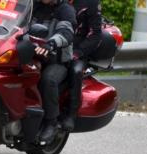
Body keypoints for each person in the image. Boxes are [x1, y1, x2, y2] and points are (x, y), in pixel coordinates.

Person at [31, 0, 76, 144]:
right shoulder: (32, 5)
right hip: (30, 55)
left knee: (48, 79)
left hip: (55, 60)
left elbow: (66, 32)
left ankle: (51, 122)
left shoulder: (65, 9)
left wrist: (51, 43)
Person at [61, 0, 103, 131]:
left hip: (77, 49)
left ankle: (71, 115)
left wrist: (78, 52)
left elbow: (95, 34)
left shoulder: (90, 2)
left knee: (75, 70)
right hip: (53, 43)